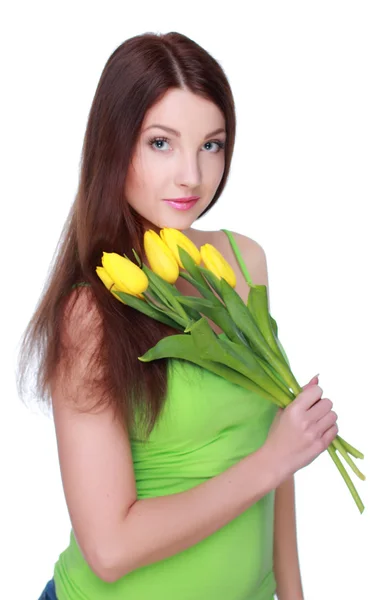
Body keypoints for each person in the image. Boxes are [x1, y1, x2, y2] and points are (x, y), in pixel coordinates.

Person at [17, 31, 338, 600]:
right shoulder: (91, 313)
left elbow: (276, 448)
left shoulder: (244, 261)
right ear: (115, 146)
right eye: (161, 143)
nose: (191, 175)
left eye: (211, 145)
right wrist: (271, 461)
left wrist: (292, 593)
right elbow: (109, 550)